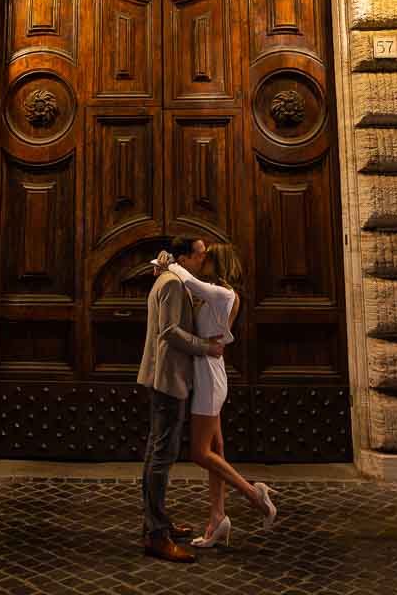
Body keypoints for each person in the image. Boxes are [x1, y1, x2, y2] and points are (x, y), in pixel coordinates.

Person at [156, 243, 277, 547]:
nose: (203, 260)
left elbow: (189, 282)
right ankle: (218, 518)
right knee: (217, 449)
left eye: (207, 257)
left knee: (200, 453)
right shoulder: (216, 293)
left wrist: (167, 261)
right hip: (208, 370)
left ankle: (254, 495)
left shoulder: (223, 294)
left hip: (209, 376)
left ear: (218, 262)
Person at [137, 237, 225, 563]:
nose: (204, 260)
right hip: (169, 379)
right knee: (163, 455)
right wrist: (207, 347)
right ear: (185, 257)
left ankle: (155, 523)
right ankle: (156, 535)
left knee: (156, 453)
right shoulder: (173, 284)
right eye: (200, 254)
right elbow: (170, 331)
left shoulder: (170, 277)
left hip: (162, 377)